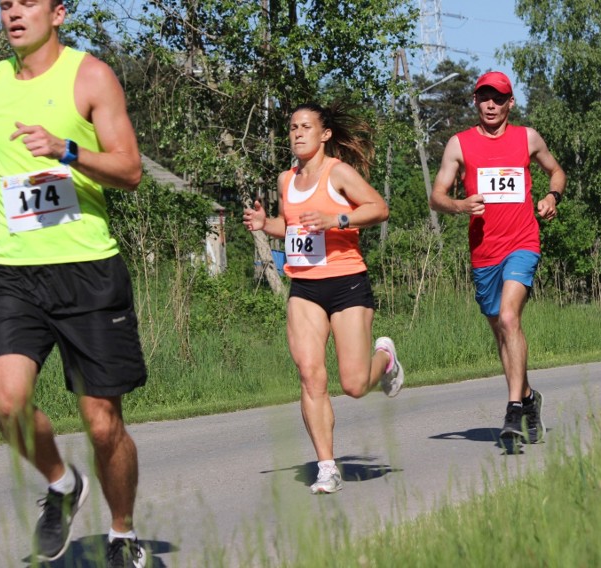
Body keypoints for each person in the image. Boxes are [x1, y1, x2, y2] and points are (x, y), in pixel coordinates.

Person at [0, 1, 147, 565]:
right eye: (5, 4)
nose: (14, 13)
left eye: (28, 3)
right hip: (15, 272)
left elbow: (131, 169)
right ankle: (62, 483)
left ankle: (121, 535)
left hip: (87, 270)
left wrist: (67, 149)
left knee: (101, 424)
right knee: (6, 401)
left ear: (59, 13)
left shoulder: (90, 75)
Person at [242, 102, 404, 494]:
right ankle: (327, 466)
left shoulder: (339, 173)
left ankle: (385, 359)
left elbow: (379, 208)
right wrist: (268, 225)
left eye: (306, 127)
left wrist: (338, 220)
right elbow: (295, 227)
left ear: (324, 134)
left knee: (352, 384)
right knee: (311, 375)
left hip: (347, 282)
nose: (297, 133)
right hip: (305, 288)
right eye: (293, 127)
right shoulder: (286, 180)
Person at [429, 71, 565, 445]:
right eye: (484, 98)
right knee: (502, 332)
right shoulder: (459, 144)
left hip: (522, 242)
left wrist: (552, 197)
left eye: (498, 98)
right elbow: (436, 195)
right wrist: (458, 204)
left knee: (510, 317)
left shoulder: (527, 137)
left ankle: (512, 410)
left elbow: (556, 171)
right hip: (484, 252)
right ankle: (528, 397)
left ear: (510, 103)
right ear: (475, 101)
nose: (491, 105)